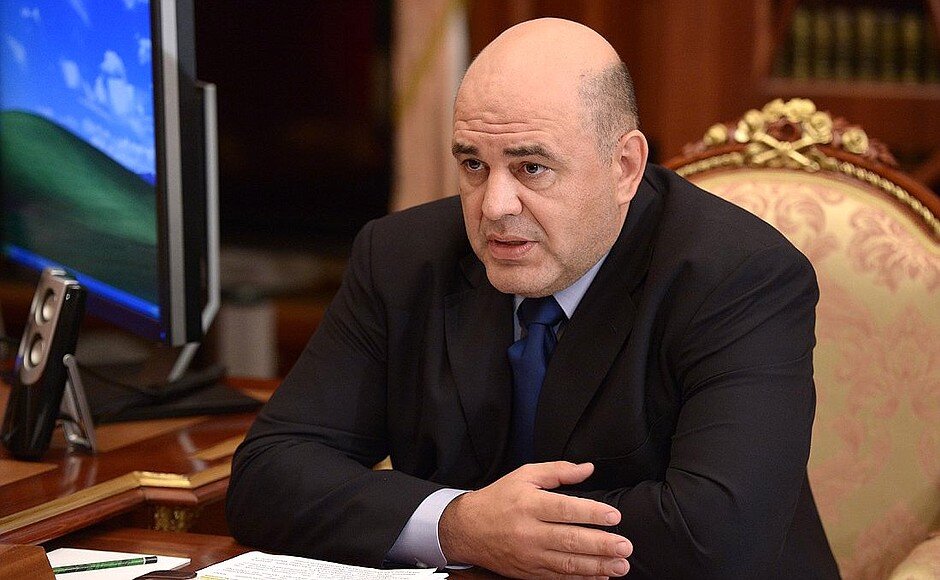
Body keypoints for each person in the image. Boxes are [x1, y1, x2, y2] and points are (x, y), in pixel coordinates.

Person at [226, 18, 839, 579]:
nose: (494, 207)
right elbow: (268, 475)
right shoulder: (400, 258)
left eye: (531, 168)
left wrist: (517, 533)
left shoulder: (738, 276)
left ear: (625, 167)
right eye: (473, 165)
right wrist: (458, 524)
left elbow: (718, 535)